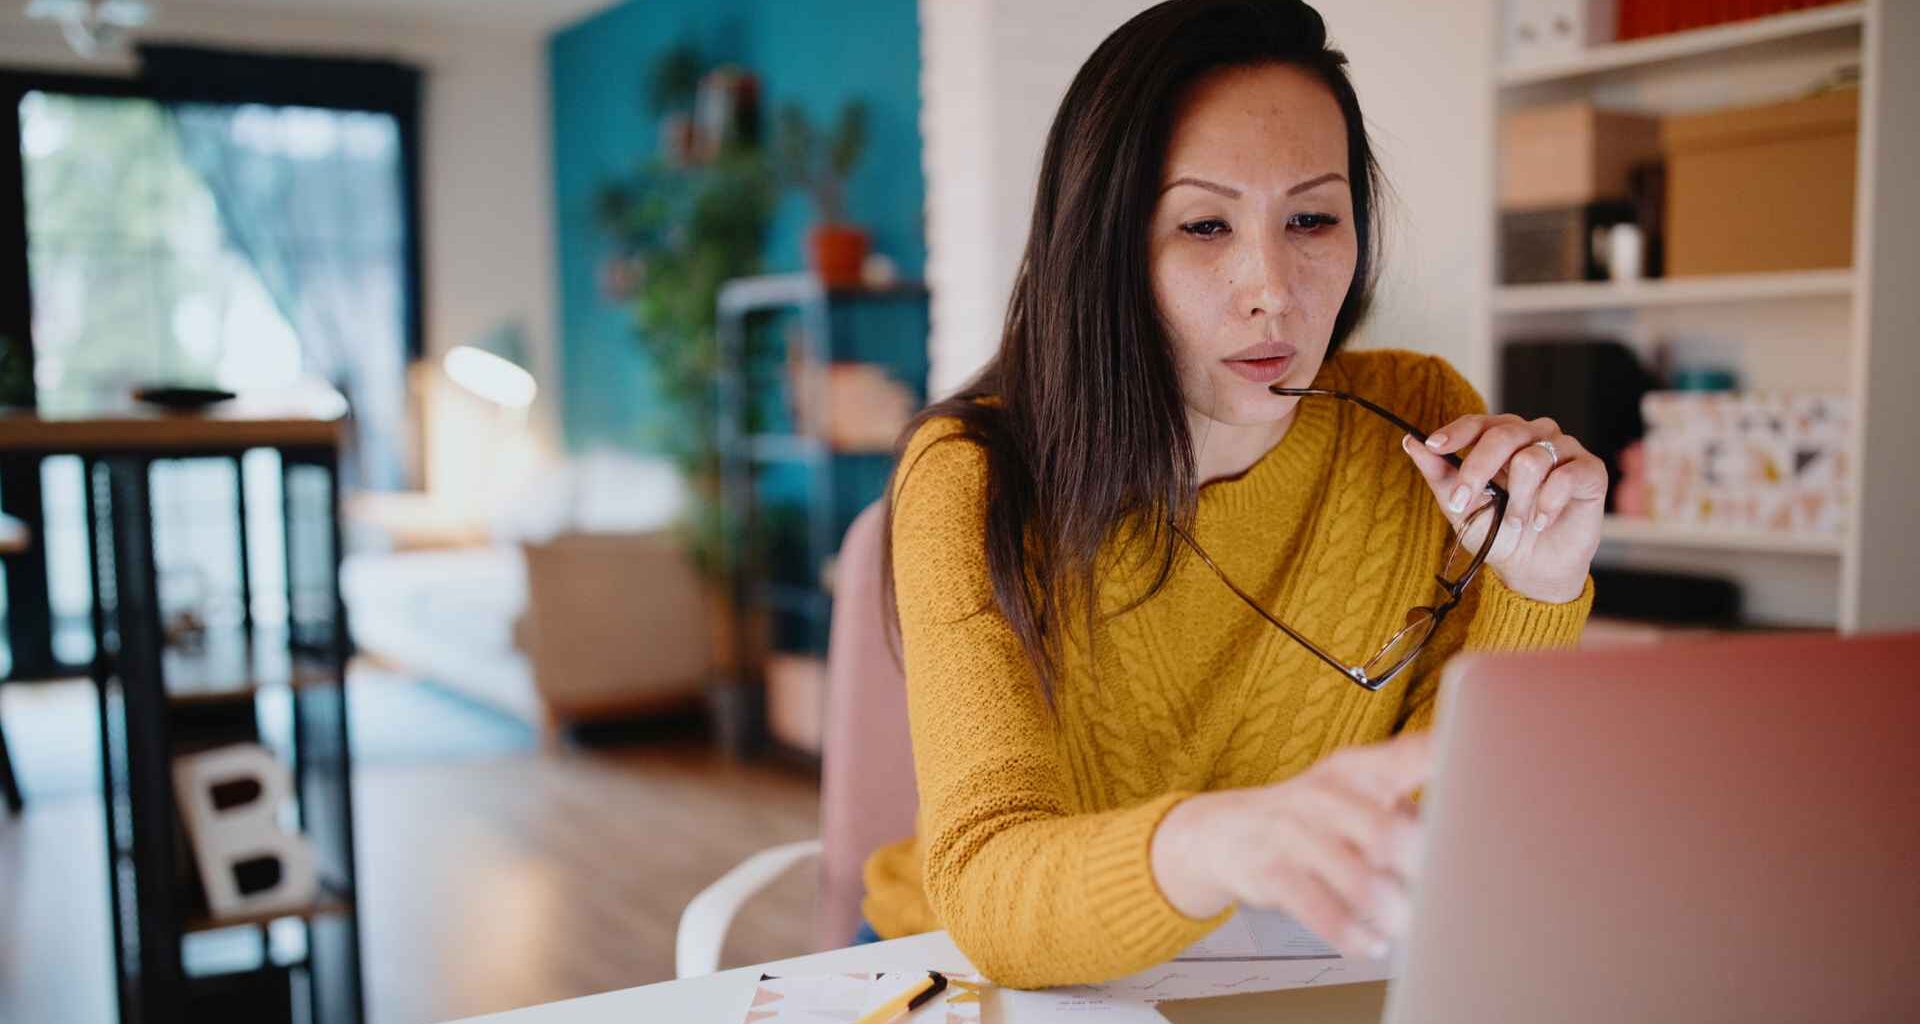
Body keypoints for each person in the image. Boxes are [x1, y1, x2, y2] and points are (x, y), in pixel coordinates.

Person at [860, 0, 1606, 990]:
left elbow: (1442, 833)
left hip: (1293, 965)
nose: (1273, 291)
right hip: (981, 973)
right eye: (1205, 225)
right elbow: (991, 886)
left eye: (1312, 219)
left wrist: (1535, 589)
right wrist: (1224, 841)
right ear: (1105, 246)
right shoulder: (973, 473)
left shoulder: (1423, 417)